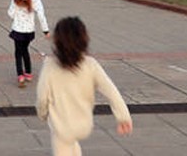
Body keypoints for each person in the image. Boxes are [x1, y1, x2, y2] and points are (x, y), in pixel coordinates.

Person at [36, 17, 133, 155]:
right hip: (83, 125)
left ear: (57, 42)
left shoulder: (50, 66)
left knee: (64, 146)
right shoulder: (91, 64)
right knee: (72, 146)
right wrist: (123, 117)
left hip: (62, 127)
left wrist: (42, 114)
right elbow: (111, 91)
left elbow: (42, 97)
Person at [8, 0, 49, 87]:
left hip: (18, 30)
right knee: (25, 50)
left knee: (18, 52)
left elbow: (10, 14)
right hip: (29, 31)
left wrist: (17, 12)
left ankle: (20, 74)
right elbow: (41, 16)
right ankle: (29, 73)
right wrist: (46, 30)